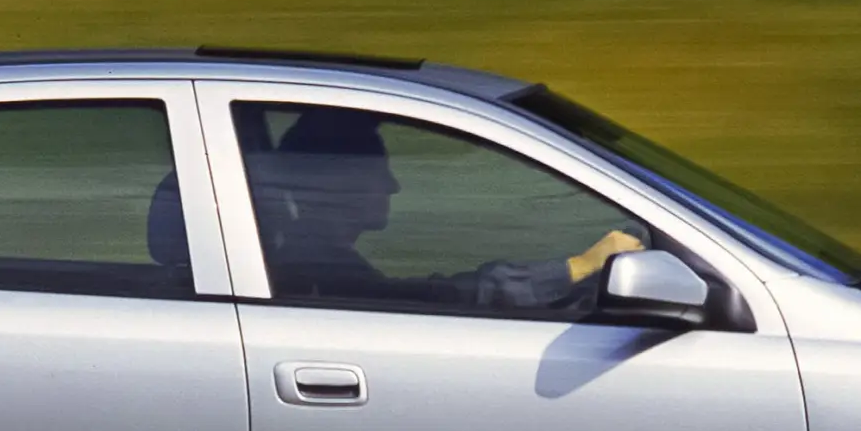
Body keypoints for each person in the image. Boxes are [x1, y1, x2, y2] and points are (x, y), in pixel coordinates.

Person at [252, 108, 644, 311]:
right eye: (378, 169)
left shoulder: (312, 261)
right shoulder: (321, 274)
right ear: (338, 182)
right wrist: (577, 267)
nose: (393, 184)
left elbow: (426, 295)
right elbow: (434, 300)